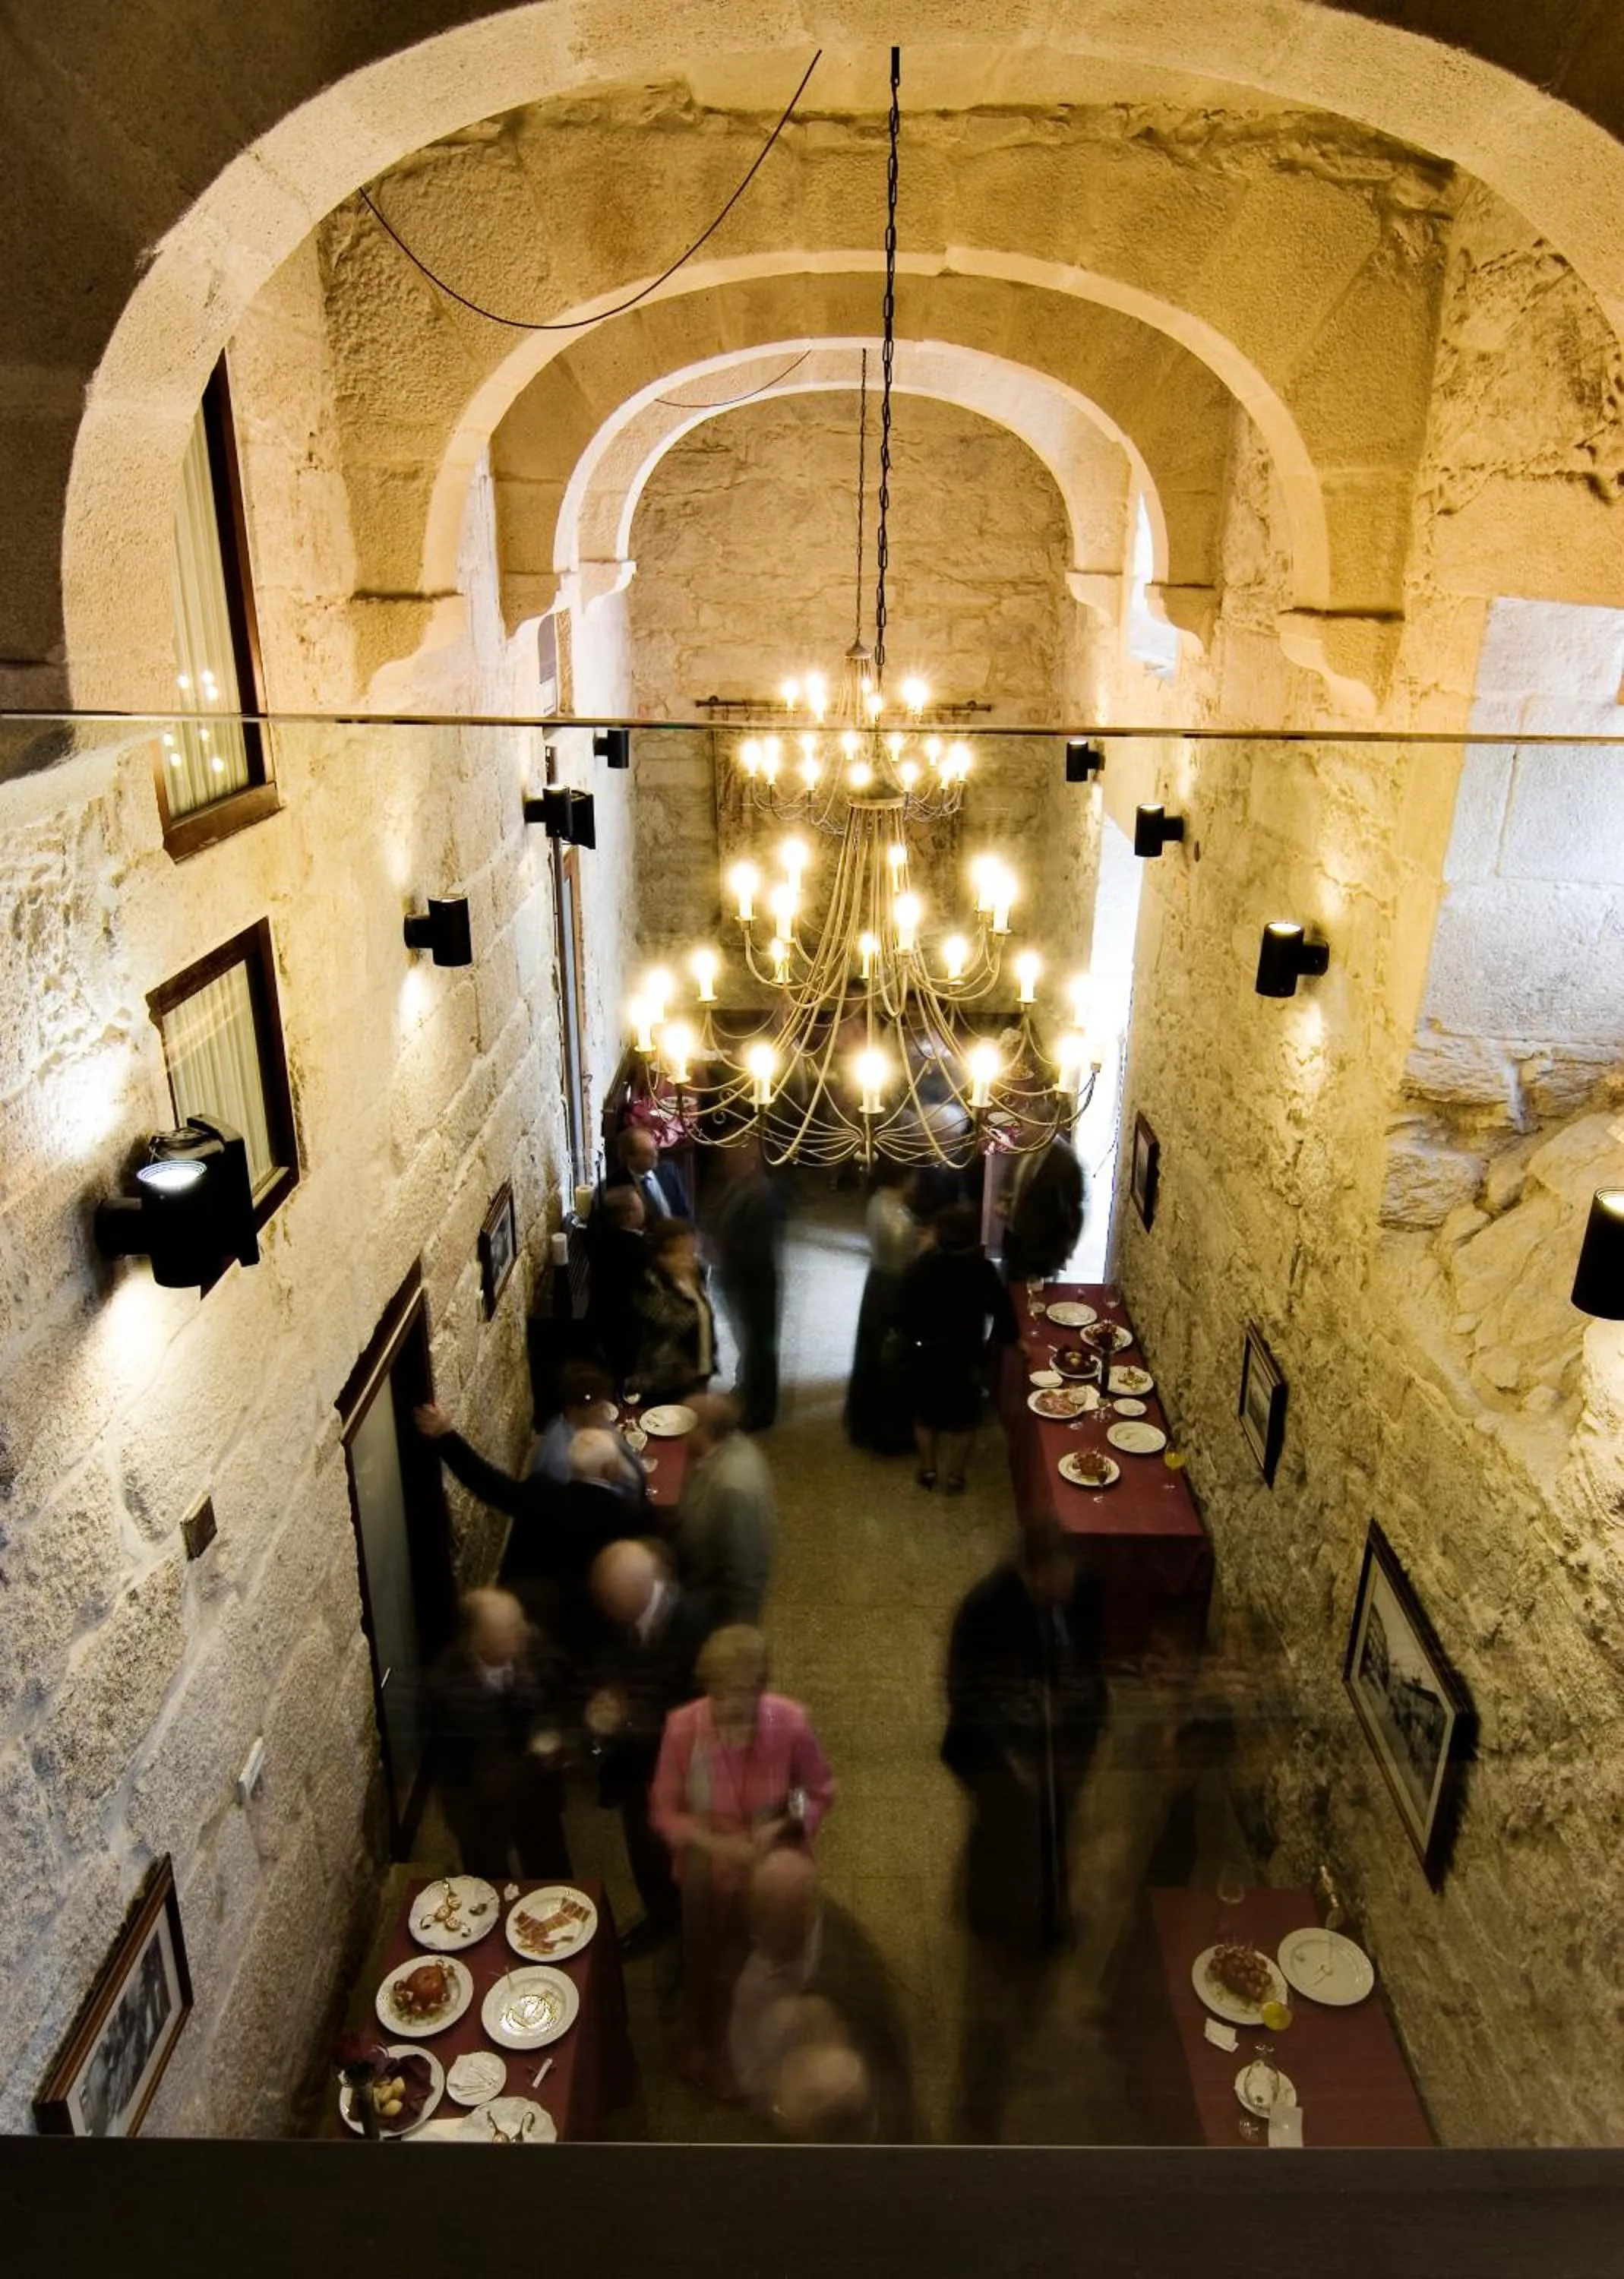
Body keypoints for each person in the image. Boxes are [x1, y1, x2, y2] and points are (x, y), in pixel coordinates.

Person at [943, 1524, 1108, 2139]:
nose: (1067, 1587)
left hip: (1059, 1777)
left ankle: (1046, 1930)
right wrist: (1013, 1755)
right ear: (1032, 1572)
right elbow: (965, 1695)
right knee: (1001, 1902)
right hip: (1006, 1783)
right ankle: (977, 2107)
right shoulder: (987, 1608)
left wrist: (1075, 1727)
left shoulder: (1081, 1592)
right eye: (1056, 1579)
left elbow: (1092, 1669)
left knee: (1054, 1856)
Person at [649, 1625, 836, 2094]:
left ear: (760, 1688)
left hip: (766, 1869)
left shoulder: (791, 1723)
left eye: (739, 1695)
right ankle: (700, 2039)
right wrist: (717, 1845)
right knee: (705, 1960)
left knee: (750, 1967)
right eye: (717, 1694)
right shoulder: (683, 1728)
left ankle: (736, 2050)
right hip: (707, 1871)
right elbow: (665, 1812)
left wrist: (784, 1824)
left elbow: (815, 1792)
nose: (726, 1707)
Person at [415, 1403, 643, 1647]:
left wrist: (445, 1435)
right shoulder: (625, 1516)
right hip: (594, 1625)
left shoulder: (541, 1496)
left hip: (538, 1618)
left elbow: (487, 1483)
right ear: (610, 1471)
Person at [584, 1538, 715, 1956]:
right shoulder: (618, 1614)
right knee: (644, 1850)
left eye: (610, 1601)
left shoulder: (698, 1624)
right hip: (636, 1769)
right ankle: (661, 1917)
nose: (604, 1608)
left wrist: (634, 1717)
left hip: (684, 1773)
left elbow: (704, 1711)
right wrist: (606, 1694)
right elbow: (604, 1656)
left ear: (637, 1594)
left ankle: (696, 1937)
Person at [729, 1848, 915, 2140]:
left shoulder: (846, 1975)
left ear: (805, 1915)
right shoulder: (762, 1972)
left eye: (768, 1919)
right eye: (758, 1916)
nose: (756, 1933)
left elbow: (884, 2070)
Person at [424, 1588, 572, 1879]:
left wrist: (558, 1737)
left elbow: (561, 1697)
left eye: (519, 1623)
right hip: (481, 1806)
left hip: (537, 1793)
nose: (522, 1633)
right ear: (475, 1638)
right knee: (490, 1882)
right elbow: (446, 1763)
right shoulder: (444, 1687)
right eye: (508, 1630)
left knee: (551, 1874)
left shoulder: (536, 1651)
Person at [898, 1202, 1022, 1492]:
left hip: (926, 1353)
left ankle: (928, 1470)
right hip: (966, 1355)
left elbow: (902, 1312)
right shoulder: (983, 1270)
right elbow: (1002, 1311)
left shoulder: (921, 1267)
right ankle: (956, 1477)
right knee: (964, 1420)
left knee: (925, 1415)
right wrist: (1015, 1339)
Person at [708, 1137, 789, 1430]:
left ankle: (761, 1411)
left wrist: (724, 1252)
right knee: (747, 1344)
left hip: (756, 1286)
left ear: (750, 1159)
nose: (726, 1163)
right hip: (738, 1281)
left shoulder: (763, 1195)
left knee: (761, 1350)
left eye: (731, 1157)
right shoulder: (739, 1184)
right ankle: (746, 1387)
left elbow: (755, 1249)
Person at [672, 1392, 775, 1623]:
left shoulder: (734, 1489)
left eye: (683, 1423)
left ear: (701, 1430)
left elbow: (745, 1572)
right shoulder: (724, 1445)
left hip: (711, 1603)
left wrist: (737, 1629)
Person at [844, 1158, 921, 1453]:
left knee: (872, 1352)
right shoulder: (898, 1217)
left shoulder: (877, 1200)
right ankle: (889, 1432)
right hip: (895, 1289)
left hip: (877, 1283)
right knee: (892, 1357)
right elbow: (905, 1259)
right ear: (905, 1178)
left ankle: (865, 1420)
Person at [529, 1359, 642, 1501]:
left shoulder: (594, 1424)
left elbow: (634, 1467)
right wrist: (620, 1479)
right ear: (573, 1410)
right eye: (596, 1405)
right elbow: (590, 1506)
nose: (603, 1409)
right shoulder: (561, 1458)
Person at [632, 1215, 716, 1404]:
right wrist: (687, 1289)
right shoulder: (650, 1285)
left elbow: (704, 1318)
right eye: (681, 1253)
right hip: (666, 1382)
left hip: (698, 1371)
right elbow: (672, 1323)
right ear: (661, 1257)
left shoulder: (694, 1276)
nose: (689, 1260)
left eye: (691, 1252)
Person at [1001, 1134, 1085, 1284]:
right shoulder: (1023, 1150)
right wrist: (1005, 1202)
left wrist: (1063, 1252)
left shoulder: (1064, 1161)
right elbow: (1015, 1186)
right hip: (1014, 1246)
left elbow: (1074, 1211)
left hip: (1041, 1254)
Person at [584, 1183, 647, 1383]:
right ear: (629, 1215)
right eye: (640, 1207)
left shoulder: (605, 1241)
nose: (644, 1209)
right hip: (630, 1335)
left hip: (609, 1330)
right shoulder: (637, 1251)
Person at [599, 1123, 686, 1221]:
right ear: (630, 1158)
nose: (655, 1155)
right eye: (647, 1153)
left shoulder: (668, 1171)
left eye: (655, 1149)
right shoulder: (616, 1185)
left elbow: (684, 1212)